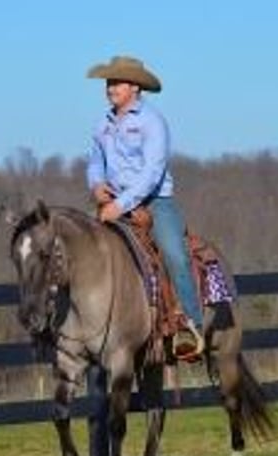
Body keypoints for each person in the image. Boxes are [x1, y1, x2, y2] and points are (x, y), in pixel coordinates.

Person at [85, 55, 204, 358]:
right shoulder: (103, 123)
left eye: (117, 83)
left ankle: (189, 326)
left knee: (174, 254)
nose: (110, 88)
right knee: (80, 251)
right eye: (109, 83)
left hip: (154, 202)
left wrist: (121, 204)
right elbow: (95, 162)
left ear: (135, 87)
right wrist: (97, 185)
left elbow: (152, 172)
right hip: (113, 202)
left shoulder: (152, 122)